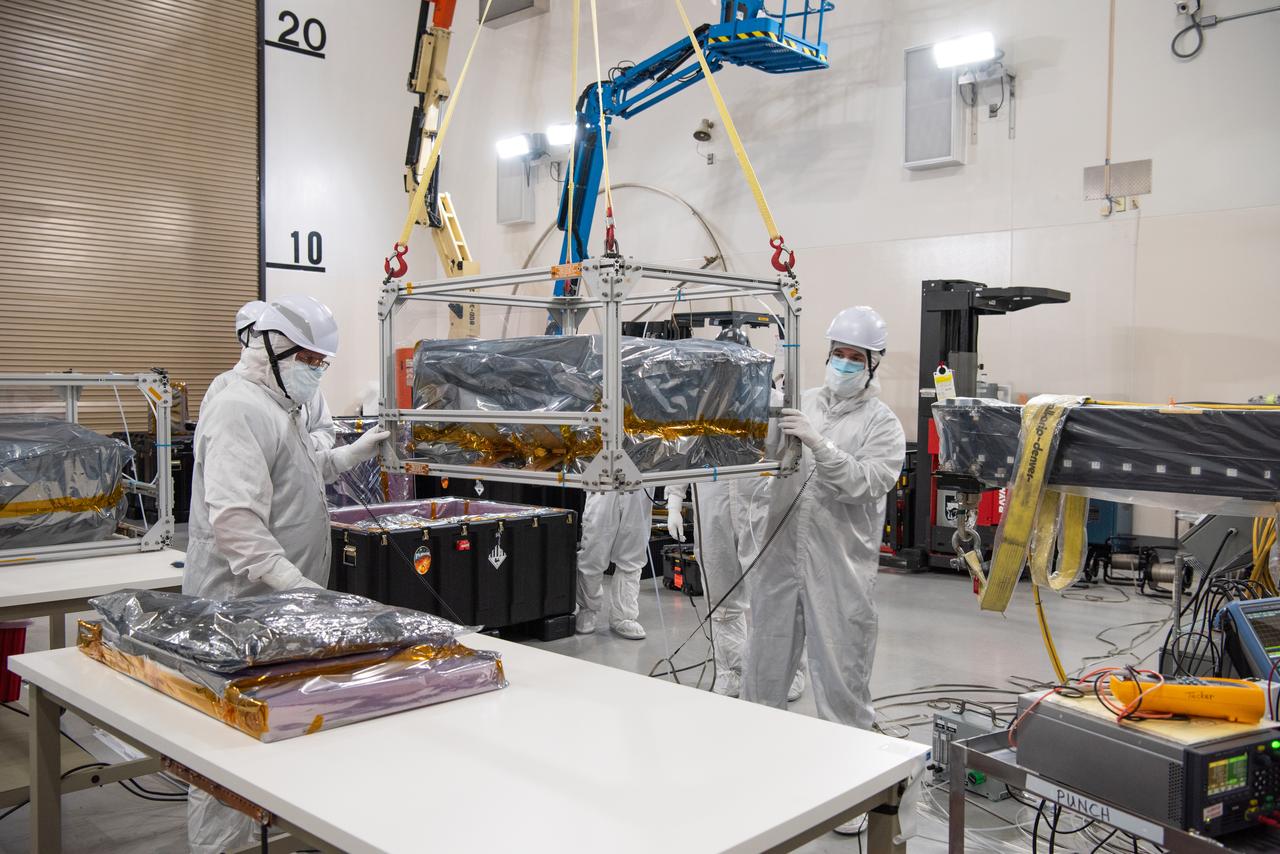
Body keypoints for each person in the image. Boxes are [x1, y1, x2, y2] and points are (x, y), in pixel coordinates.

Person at [184, 295, 388, 853]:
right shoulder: (237, 408)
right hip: (239, 604)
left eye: (322, 362)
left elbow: (305, 469)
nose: (316, 371)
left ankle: (261, 836)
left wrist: (355, 452)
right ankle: (219, 849)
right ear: (274, 350)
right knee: (226, 740)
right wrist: (299, 587)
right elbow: (236, 522)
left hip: (278, 602)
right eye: (310, 360)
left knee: (274, 728)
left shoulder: (280, 407)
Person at [740, 305, 905, 836]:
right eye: (839, 354)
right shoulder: (803, 402)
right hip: (780, 556)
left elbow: (863, 482)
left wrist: (819, 442)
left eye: (856, 357)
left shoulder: (884, 424)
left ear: (873, 364)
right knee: (763, 666)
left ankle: (852, 790)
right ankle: (752, 776)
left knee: (841, 677)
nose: (845, 364)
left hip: (840, 567)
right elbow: (763, 454)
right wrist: (760, 408)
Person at [205, 298, 336, 452]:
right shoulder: (228, 393)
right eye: (253, 332)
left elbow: (321, 436)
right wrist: (291, 451)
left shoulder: (304, 382)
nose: (256, 337)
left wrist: (301, 448)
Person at [575, 489, 652, 640]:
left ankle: (624, 616)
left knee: (632, 554)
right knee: (594, 549)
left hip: (639, 488)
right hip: (602, 484)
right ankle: (587, 608)